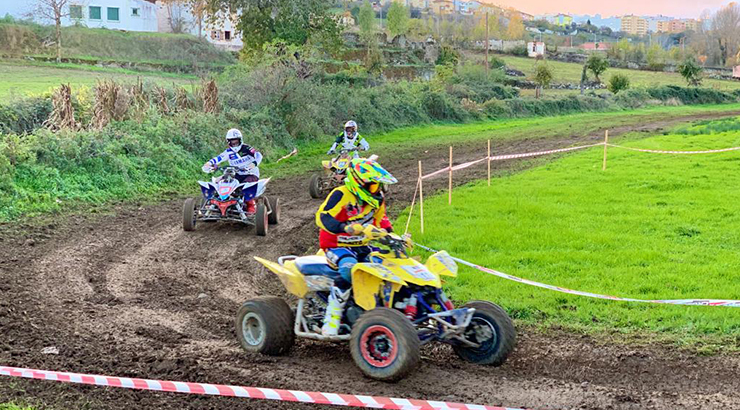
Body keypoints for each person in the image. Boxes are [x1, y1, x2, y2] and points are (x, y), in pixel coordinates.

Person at [315, 156, 397, 335]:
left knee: (385, 267)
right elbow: (323, 216)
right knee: (348, 269)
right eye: (374, 184)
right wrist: (345, 227)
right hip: (336, 245)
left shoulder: (378, 199)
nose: (378, 189)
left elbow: (381, 220)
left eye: (378, 185)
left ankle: (378, 312)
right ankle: (332, 318)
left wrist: (393, 236)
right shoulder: (341, 194)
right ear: (359, 183)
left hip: (362, 245)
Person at [202, 129, 263, 214]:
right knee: (221, 183)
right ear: (229, 142)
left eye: (236, 141)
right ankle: (214, 204)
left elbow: (258, 155)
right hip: (236, 174)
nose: (234, 143)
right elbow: (218, 158)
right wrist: (208, 164)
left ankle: (251, 206)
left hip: (251, 174)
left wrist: (253, 164)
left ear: (240, 140)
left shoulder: (247, 148)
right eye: (232, 141)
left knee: (245, 188)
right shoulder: (228, 152)